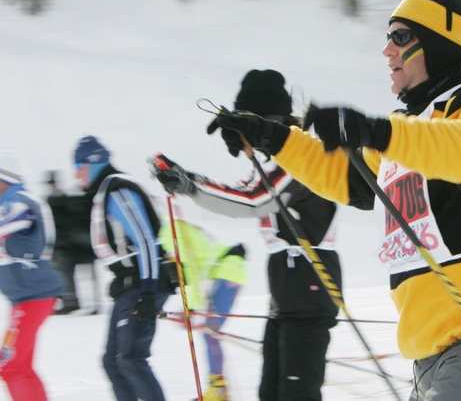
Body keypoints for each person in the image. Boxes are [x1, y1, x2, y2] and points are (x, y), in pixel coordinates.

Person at [206, 0, 461, 400]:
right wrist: (269, 135)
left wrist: (376, 131)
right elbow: (343, 175)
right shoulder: (411, 128)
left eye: (398, 36)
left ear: (438, 43)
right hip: (434, 346)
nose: (386, 50)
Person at [151, 68, 341, 401]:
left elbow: (255, 201)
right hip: (287, 291)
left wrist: (189, 185)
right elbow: (243, 191)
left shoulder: (300, 156)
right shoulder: (277, 160)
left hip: (310, 285)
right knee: (270, 394)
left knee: (297, 395)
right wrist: (188, 181)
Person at [74, 135, 176, 401]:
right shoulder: (105, 190)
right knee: (113, 361)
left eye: (78, 167)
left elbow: (145, 240)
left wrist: (149, 291)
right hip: (131, 284)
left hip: (142, 283)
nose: (76, 175)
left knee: (130, 358)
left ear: (92, 164)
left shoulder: (117, 189)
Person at [158, 218, 247, 401]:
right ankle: (217, 388)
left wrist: (190, 308)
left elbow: (189, 272)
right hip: (225, 271)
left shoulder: (169, 233)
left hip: (227, 271)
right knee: (209, 331)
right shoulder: (172, 228)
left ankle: (219, 390)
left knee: (209, 331)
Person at [0, 151, 64, 400]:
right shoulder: (10, 202)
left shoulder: (20, 201)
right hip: (24, 298)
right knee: (18, 366)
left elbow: (8, 224)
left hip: (34, 296)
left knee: (10, 365)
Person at [44, 170, 100, 315]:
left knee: (63, 270)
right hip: (84, 245)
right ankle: (88, 302)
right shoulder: (79, 202)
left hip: (68, 247)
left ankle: (71, 301)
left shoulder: (55, 202)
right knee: (80, 273)